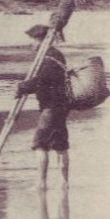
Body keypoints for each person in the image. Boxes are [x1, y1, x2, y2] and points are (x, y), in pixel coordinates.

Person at [16, 24, 70, 189]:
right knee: (60, 145)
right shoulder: (53, 55)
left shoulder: (49, 58)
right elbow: (44, 80)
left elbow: (42, 81)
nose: (30, 43)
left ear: (40, 40)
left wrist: (23, 87)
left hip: (52, 108)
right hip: (60, 106)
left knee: (40, 144)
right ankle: (64, 183)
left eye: (32, 40)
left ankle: (41, 183)